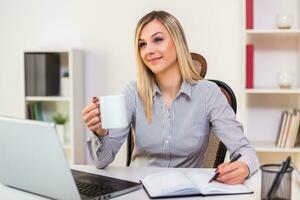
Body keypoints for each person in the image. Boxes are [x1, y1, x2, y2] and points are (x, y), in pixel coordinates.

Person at [82, 10, 259, 184]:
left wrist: (244, 166)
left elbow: (245, 150)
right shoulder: (132, 92)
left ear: (177, 42)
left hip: (188, 192)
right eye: (142, 44)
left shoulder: (208, 93)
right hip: (139, 189)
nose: (148, 50)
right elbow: (102, 161)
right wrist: (100, 132)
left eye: (157, 39)